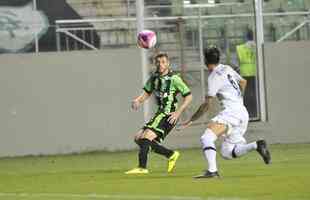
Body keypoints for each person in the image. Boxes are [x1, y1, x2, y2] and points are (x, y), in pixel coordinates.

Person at [180, 46, 271, 178]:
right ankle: (257, 145)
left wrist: (191, 120)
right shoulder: (226, 68)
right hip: (242, 112)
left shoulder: (213, 77)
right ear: (218, 59)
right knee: (227, 152)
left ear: (205, 61)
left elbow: (206, 105)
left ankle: (212, 171)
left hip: (231, 113)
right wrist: (238, 99)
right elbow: (243, 82)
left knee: (207, 137)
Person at [125, 53, 193, 174]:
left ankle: (142, 167)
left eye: (163, 62)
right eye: (158, 62)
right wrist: (138, 100)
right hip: (160, 113)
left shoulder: (174, 79)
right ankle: (171, 154)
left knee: (146, 137)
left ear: (168, 63)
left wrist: (178, 113)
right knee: (138, 138)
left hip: (168, 115)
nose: (160, 64)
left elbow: (189, 96)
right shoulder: (154, 78)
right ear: (155, 63)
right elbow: (147, 92)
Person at [236, 30, 257, 118]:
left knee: (246, 93)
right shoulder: (257, 47)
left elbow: (238, 61)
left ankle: (247, 112)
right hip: (255, 72)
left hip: (244, 73)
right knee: (255, 92)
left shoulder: (239, 48)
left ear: (246, 37)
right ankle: (255, 111)